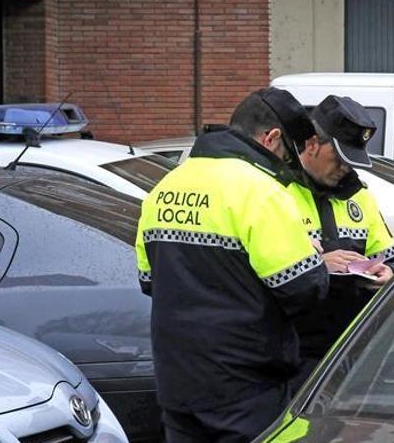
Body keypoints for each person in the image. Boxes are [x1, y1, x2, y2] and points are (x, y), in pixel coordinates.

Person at [135, 87, 329, 443]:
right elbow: (305, 290)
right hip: (245, 386)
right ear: (272, 138)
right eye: (289, 154)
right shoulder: (262, 191)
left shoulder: (164, 188)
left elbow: (150, 281)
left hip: (176, 379)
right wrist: (312, 255)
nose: (287, 166)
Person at [282, 95, 394, 389]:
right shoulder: (278, 194)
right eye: (339, 158)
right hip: (293, 356)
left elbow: (392, 258)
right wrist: (316, 265)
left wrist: (387, 273)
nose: (346, 169)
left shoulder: (359, 197)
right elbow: (256, 272)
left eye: (352, 161)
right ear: (312, 143)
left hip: (350, 353)